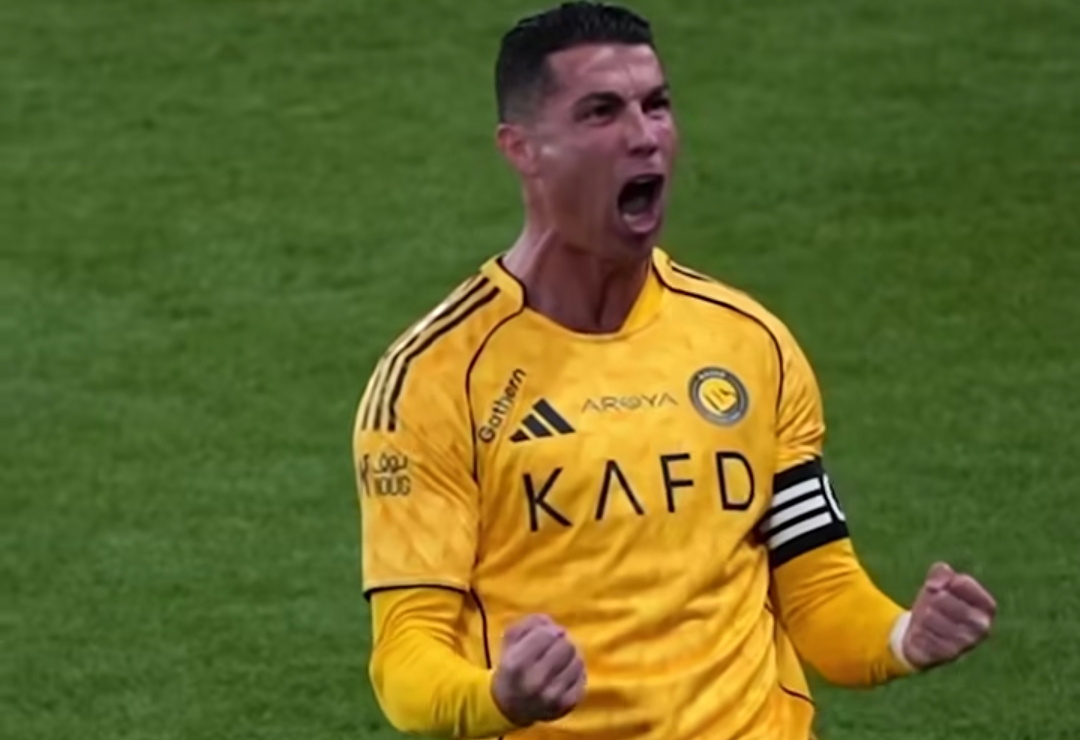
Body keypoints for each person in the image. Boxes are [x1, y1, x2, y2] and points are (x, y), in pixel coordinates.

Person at [351, 2, 998, 739]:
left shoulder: (748, 342)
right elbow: (405, 661)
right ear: (522, 149)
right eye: (601, 112)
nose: (644, 136)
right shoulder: (435, 379)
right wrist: (498, 695)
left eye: (656, 105)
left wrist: (903, 636)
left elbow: (819, 590)